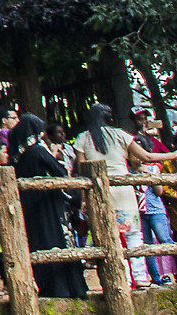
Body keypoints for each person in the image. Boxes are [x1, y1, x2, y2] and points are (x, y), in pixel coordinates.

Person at [73, 102, 177, 289]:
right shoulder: (121, 135)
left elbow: (81, 171)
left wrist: (84, 199)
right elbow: (148, 157)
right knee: (133, 236)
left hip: (98, 192)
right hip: (123, 192)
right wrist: (173, 155)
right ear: (109, 118)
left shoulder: (83, 138)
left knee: (108, 237)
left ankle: (123, 280)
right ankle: (140, 278)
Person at [9, 114, 87, 301]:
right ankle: (69, 288)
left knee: (40, 243)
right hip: (49, 205)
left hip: (30, 207)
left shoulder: (17, 157)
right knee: (58, 241)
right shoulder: (37, 151)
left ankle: (49, 287)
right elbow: (60, 172)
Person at [130, 110, 176, 285]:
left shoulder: (153, 166)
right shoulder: (127, 170)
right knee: (147, 246)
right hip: (139, 211)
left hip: (155, 208)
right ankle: (155, 278)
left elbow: (158, 191)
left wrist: (147, 172)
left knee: (165, 240)